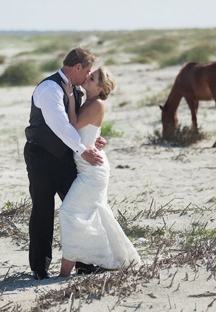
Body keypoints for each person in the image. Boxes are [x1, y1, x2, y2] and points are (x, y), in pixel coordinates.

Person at [24, 47, 106, 280]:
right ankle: (40, 267)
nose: (88, 75)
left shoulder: (76, 90)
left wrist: (93, 138)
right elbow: (60, 125)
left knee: (76, 208)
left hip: (66, 158)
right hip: (40, 157)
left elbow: (77, 124)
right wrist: (83, 149)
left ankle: (84, 262)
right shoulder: (49, 88)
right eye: (87, 70)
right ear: (77, 67)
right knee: (42, 208)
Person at [59, 66, 141, 277]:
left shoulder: (97, 104)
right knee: (95, 214)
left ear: (99, 87)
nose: (88, 77)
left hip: (92, 171)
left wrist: (68, 97)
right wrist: (99, 140)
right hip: (88, 166)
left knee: (69, 212)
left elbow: (73, 125)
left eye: (92, 77)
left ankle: (64, 273)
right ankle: (110, 258)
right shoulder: (87, 100)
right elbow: (91, 130)